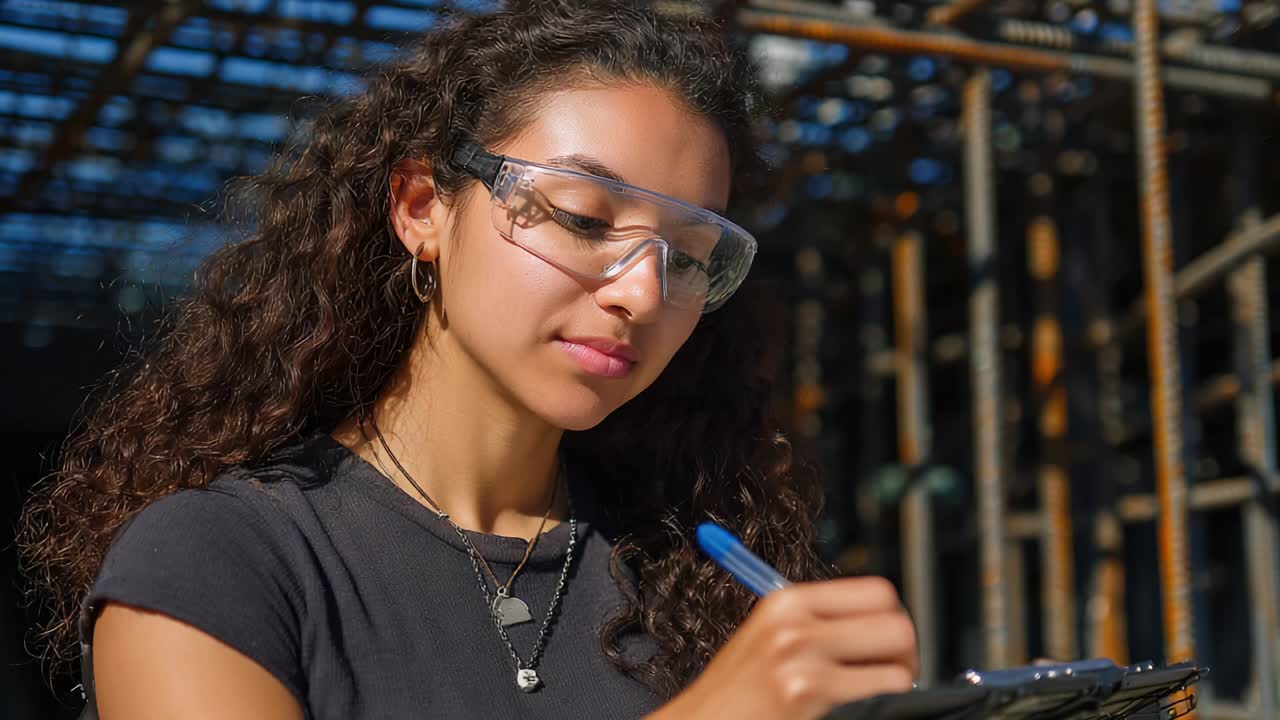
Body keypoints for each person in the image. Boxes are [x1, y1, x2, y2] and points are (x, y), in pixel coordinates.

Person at [18, 2, 918, 718]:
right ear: (421, 209)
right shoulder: (221, 562)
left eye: (687, 255)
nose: (641, 293)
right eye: (583, 218)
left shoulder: (693, 570)